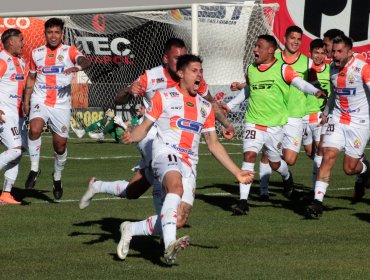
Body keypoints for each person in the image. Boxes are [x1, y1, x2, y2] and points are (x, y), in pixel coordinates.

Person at [79, 38, 234, 228]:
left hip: (175, 137)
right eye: (177, 58)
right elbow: (119, 100)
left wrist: (226, 123)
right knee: (165, 171)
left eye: (183, 57)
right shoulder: (151, 77)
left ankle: (98, 186)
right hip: (149, 135)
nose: (181, 61)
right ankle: (165, 228)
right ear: (165, 58)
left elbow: (209, 102)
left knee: (134, 190)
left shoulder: (191, 77)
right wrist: (128, 90)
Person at [117, 54, 254, 264]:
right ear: (181, 74)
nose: (199, 75)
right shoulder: (163, 97)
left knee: (179, 219)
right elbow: (143, 129)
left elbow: (213, 143)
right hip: (165, 153)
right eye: (194, 70)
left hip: (189, 163)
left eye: (201, 71)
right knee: (176, 188)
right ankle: (170, 246)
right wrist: (131, 135)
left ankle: (132, 228)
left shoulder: (205, 107)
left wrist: (237, 172)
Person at [222, 34, 325, 215]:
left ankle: (287, 177)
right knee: (249, 155)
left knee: (276, 163)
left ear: (271, 50)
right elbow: (249, 90)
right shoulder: (251, 68)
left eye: (259, 46)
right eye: (255, 46)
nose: (255, 49)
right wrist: (230, 106)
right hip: (253, 122)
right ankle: (243, 201)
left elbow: (300, 83)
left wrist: (315, 91)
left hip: (275, 126)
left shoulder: (283, 68)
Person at [22, 17, 91, 200]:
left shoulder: (70, 51)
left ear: (62, 34)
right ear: (45, 33)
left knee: (60, 145)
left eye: (57, 32)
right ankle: (34, 169)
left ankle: (57, 177)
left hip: (61, 104)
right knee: (35, 129)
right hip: (40, 98)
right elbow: (31, 78)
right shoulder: (36, 53)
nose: (53, 36)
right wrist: (26, 100)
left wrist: (76, 67)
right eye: (50, 32)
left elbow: (85, 61)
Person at [305, 35, 370, 218]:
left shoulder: (362, 68)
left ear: (350, 52)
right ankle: (317, 202)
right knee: (327, 155)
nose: (334, 55)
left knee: (349, 169)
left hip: (360, 123)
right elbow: (334, 95)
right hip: (338, 119)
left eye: (339, 51)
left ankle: (365, 170)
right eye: (333, 51)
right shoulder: (333, 68)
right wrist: (325, 114)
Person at [0, 29, 27, 204]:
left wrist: (26, 104)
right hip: (4, 114)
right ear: (11, 42)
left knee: (18, 152)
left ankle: (6, 193)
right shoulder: (2, 60)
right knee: (16, 149)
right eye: (20, 40)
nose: (23, 43)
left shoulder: (21, 61)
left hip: (17, 115)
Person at [302, 39, 331, 191]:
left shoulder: (330, 69)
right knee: (309, 151)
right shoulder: (304, 68)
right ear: (310, 53)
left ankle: (316, 190)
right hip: (304, 115)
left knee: (320, 149)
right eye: (316, 53)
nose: (319, 56)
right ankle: (323, 168)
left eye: (322, 53)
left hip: (321, 115)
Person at [73, 104, 145, 142]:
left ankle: (101, 134)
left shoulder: (145, 121)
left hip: (126, 139)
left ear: (146, 110)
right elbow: (126, 124)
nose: (138, 109)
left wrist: (118, 121)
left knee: (113, 120)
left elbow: (135, 133)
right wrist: (119, 121)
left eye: (141, 108)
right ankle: (83, 131)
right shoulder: (137, 118)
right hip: (122, 135)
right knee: (107, 119)